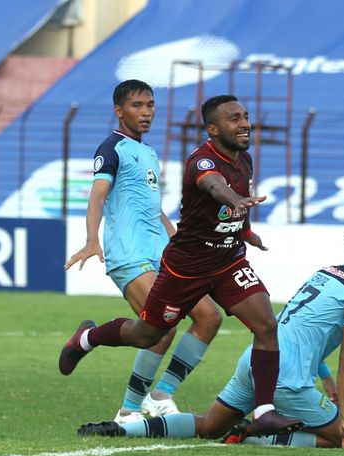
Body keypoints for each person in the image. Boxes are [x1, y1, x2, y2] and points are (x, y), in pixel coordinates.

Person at [60, 95, 302, 436]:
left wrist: (245, 231)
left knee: (261, 324)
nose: (245, 123)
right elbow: (213, 186)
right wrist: (91, 238)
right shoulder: (199, 161)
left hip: (226, 261)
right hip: (181, 265)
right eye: (235, 119)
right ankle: (92, 343)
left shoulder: (240, 159)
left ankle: (261, 410)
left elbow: (204, 208)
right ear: (214, 129)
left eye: (246, 116)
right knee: (151, 333)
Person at [77, 219, 344, 448]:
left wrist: (324, 377)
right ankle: (257, 436)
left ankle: (126, 430)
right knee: (340, 440)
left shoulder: (326, 275)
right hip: (287, 380)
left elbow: (299, 327)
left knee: (208, 426)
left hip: (256, 361)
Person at [62, 79, 223, 423]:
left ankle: (162, 394)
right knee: (160, 327)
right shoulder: (112, 148)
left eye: (149, 105)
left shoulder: (148, 152)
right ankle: (128, 407)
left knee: (210, 317)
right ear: (119, 111)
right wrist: (93, 239)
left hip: (163, 253)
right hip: (129, 254)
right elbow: (98, 196)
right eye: (137, 106)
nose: (146, 112)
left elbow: (150, 204)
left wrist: (175, 234)